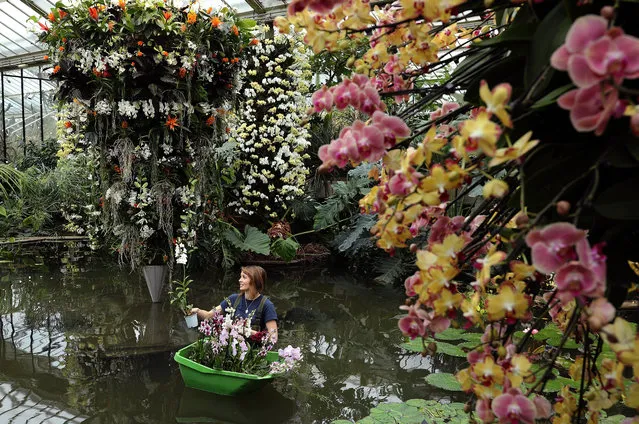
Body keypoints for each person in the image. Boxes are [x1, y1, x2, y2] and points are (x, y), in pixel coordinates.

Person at [191, 265, 278, 343]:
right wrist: (197, 311)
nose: (239, 280)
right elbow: (209, 315)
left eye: (244, 277)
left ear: (255, 280)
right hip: (232, 351)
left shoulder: (267, 305)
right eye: (240, 277)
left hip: (253, 354)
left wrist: (245, 331)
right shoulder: (233, 299)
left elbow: (273, 338)